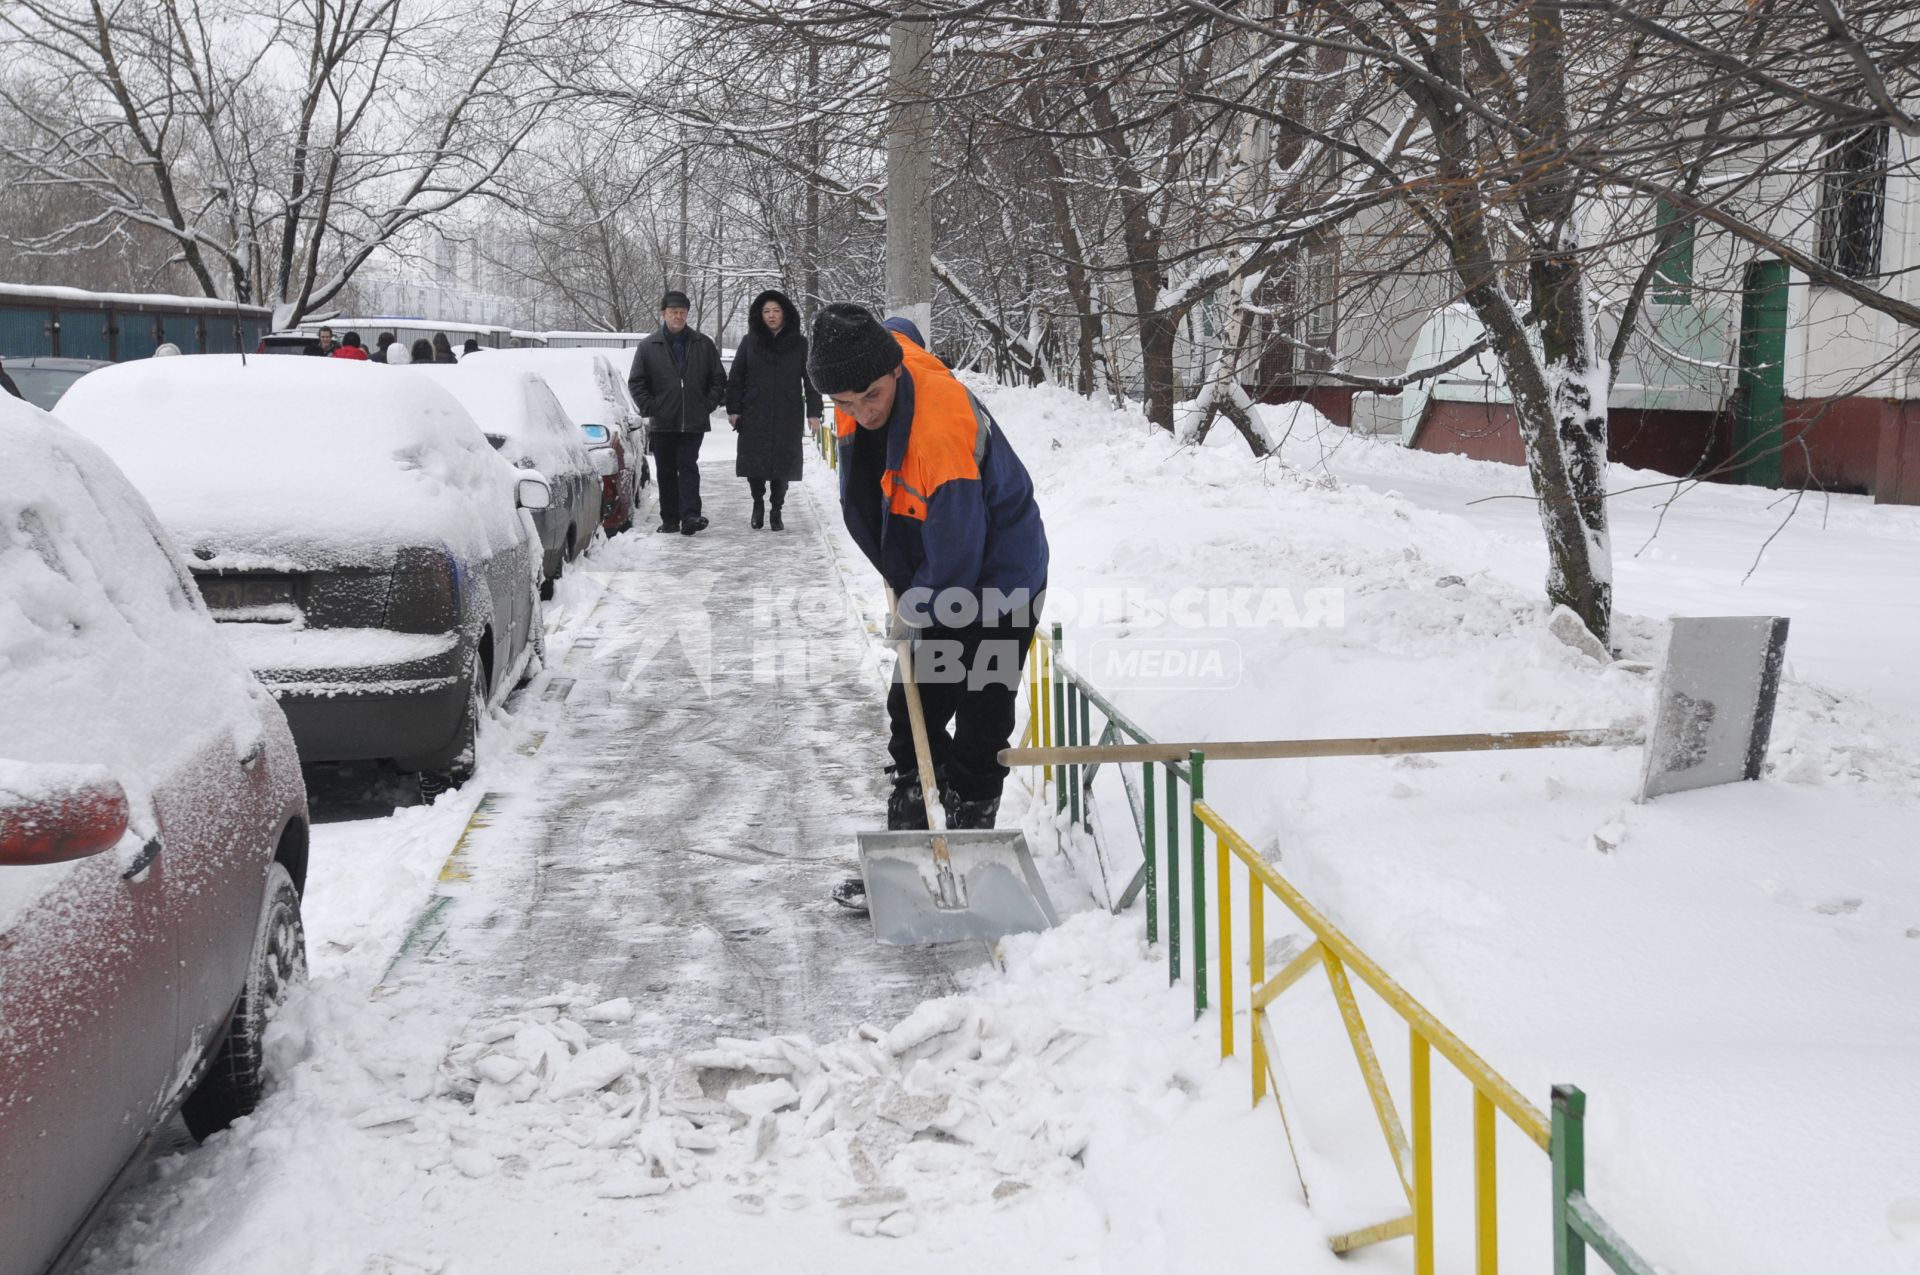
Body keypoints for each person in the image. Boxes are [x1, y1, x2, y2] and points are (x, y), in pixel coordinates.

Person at [807, 303, 1048, 908]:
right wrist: (908, 583)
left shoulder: (939, 430)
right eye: (845, 402)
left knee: (982, 708)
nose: (862, 412)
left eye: (871, 396)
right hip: (933, 565)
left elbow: (959, 557)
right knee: (909, 705)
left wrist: (917, 606)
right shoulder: (864, 377)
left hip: (1001, 581)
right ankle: (912, 850)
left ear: (892, 373)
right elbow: (900, 331)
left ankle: (968, 844)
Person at [628, 289, 726, 536]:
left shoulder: (702, 344)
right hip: (663, 420)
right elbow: (637, 382)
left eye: (682, 312)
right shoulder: (649, 346)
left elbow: (718, 378)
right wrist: (651, 406)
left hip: (693, 419)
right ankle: (670, 518)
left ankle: (690, 515)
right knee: (666, 470)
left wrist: (708, 403)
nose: (678, 317)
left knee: (688, 466)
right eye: (673, 312)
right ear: (663, 314)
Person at [726, 288, 822, 531]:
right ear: (759, 315)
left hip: (787, 412)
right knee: (754, 463)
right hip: (754, 411)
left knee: (783, 463)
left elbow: (811, 379)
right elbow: (736, 376)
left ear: (785, 314)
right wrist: (733, 409)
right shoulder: (750, 341)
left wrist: (814, 412)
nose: (771, 316)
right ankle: (758, 502)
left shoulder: (800, 344)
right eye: (766, 311)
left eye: (776, 311)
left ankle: (776, 508)